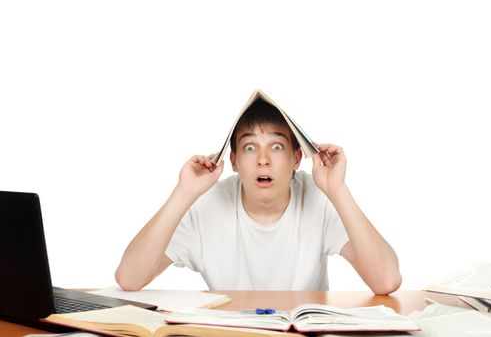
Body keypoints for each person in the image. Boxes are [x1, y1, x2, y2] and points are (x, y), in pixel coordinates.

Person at [115, 99, 401, 294]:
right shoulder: (209, 204)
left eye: (276, 147)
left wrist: (338, 189)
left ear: (296, 158)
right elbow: (129, 278)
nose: (263, 160)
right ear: (235, 160)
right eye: (250, 148)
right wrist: (184, 192)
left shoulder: (318, 198)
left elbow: (386, 280)